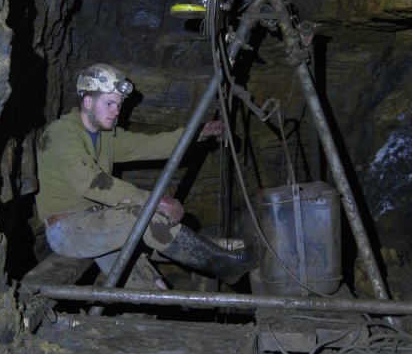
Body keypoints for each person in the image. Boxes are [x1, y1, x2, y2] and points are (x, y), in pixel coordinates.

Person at [36, 63, 257, 290]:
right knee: (141, 215)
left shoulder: (105, 137)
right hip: (67, 230)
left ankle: (139, 321)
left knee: (155, 288)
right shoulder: (61, 132)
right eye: (109, 103)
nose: (117, 111)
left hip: (99, 224)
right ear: (88, 102)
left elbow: (149, 145)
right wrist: (155, 201)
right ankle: (225, 265)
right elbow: (93, 182)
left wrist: (198, 133)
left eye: (119, 104)